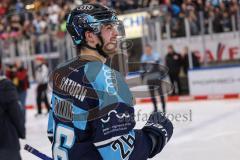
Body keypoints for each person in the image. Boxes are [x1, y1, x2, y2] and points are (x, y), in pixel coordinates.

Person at [47, 3, 173, 160]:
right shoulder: (108, 79)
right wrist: (155, 135)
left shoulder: (61, 72)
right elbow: (120, 154)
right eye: (108, 28)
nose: (116, 33)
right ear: (89, 36)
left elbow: (52, 131)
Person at [0, 55, 26, 160]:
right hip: (6, 142)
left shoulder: (22, 70)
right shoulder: (4, 85)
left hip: (20, 91)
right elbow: (15, 112)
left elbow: (21, 78)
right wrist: (21, 131)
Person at [140, 44, 166, 113]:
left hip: (157, 78)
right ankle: (155, 108)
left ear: (151, 49)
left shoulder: (156, 55)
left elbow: (161, 65)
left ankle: (163, 108)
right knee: (152, 95)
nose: (147, 51)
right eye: (146, 50)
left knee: (160, 93)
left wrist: (163, 75)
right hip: (149, 79)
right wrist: (142, 77)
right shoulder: (143, 57)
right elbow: (142, 68)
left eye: (148, 49)